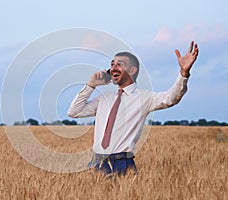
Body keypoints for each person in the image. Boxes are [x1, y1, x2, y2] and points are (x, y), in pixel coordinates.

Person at [67, 41, 199, 176]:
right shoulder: (104, 98)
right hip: (96, 163)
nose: (113, 68)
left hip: (122, 164)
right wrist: (91, 85)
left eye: (120, 64)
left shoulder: (144, 98)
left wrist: (184, 73)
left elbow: (171, 98)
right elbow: (74, 112)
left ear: (132, 70)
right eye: (112, 64)